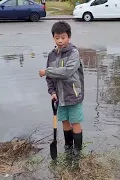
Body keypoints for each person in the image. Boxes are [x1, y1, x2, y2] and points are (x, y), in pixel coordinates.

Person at [39, 21, 84, 157]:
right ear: (53, 37)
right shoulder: (51, 55)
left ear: (69, 37)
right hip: (59, 96)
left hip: (73, 94)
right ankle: (68, 144)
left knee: (75, 121)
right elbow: (50, 78)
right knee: (64, 121)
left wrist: (47, 71)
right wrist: (52, 92)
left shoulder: (74, 53)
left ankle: (77, 149)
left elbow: (67, 72)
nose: (60, 41)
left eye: (63, 37)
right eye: (57, 38)